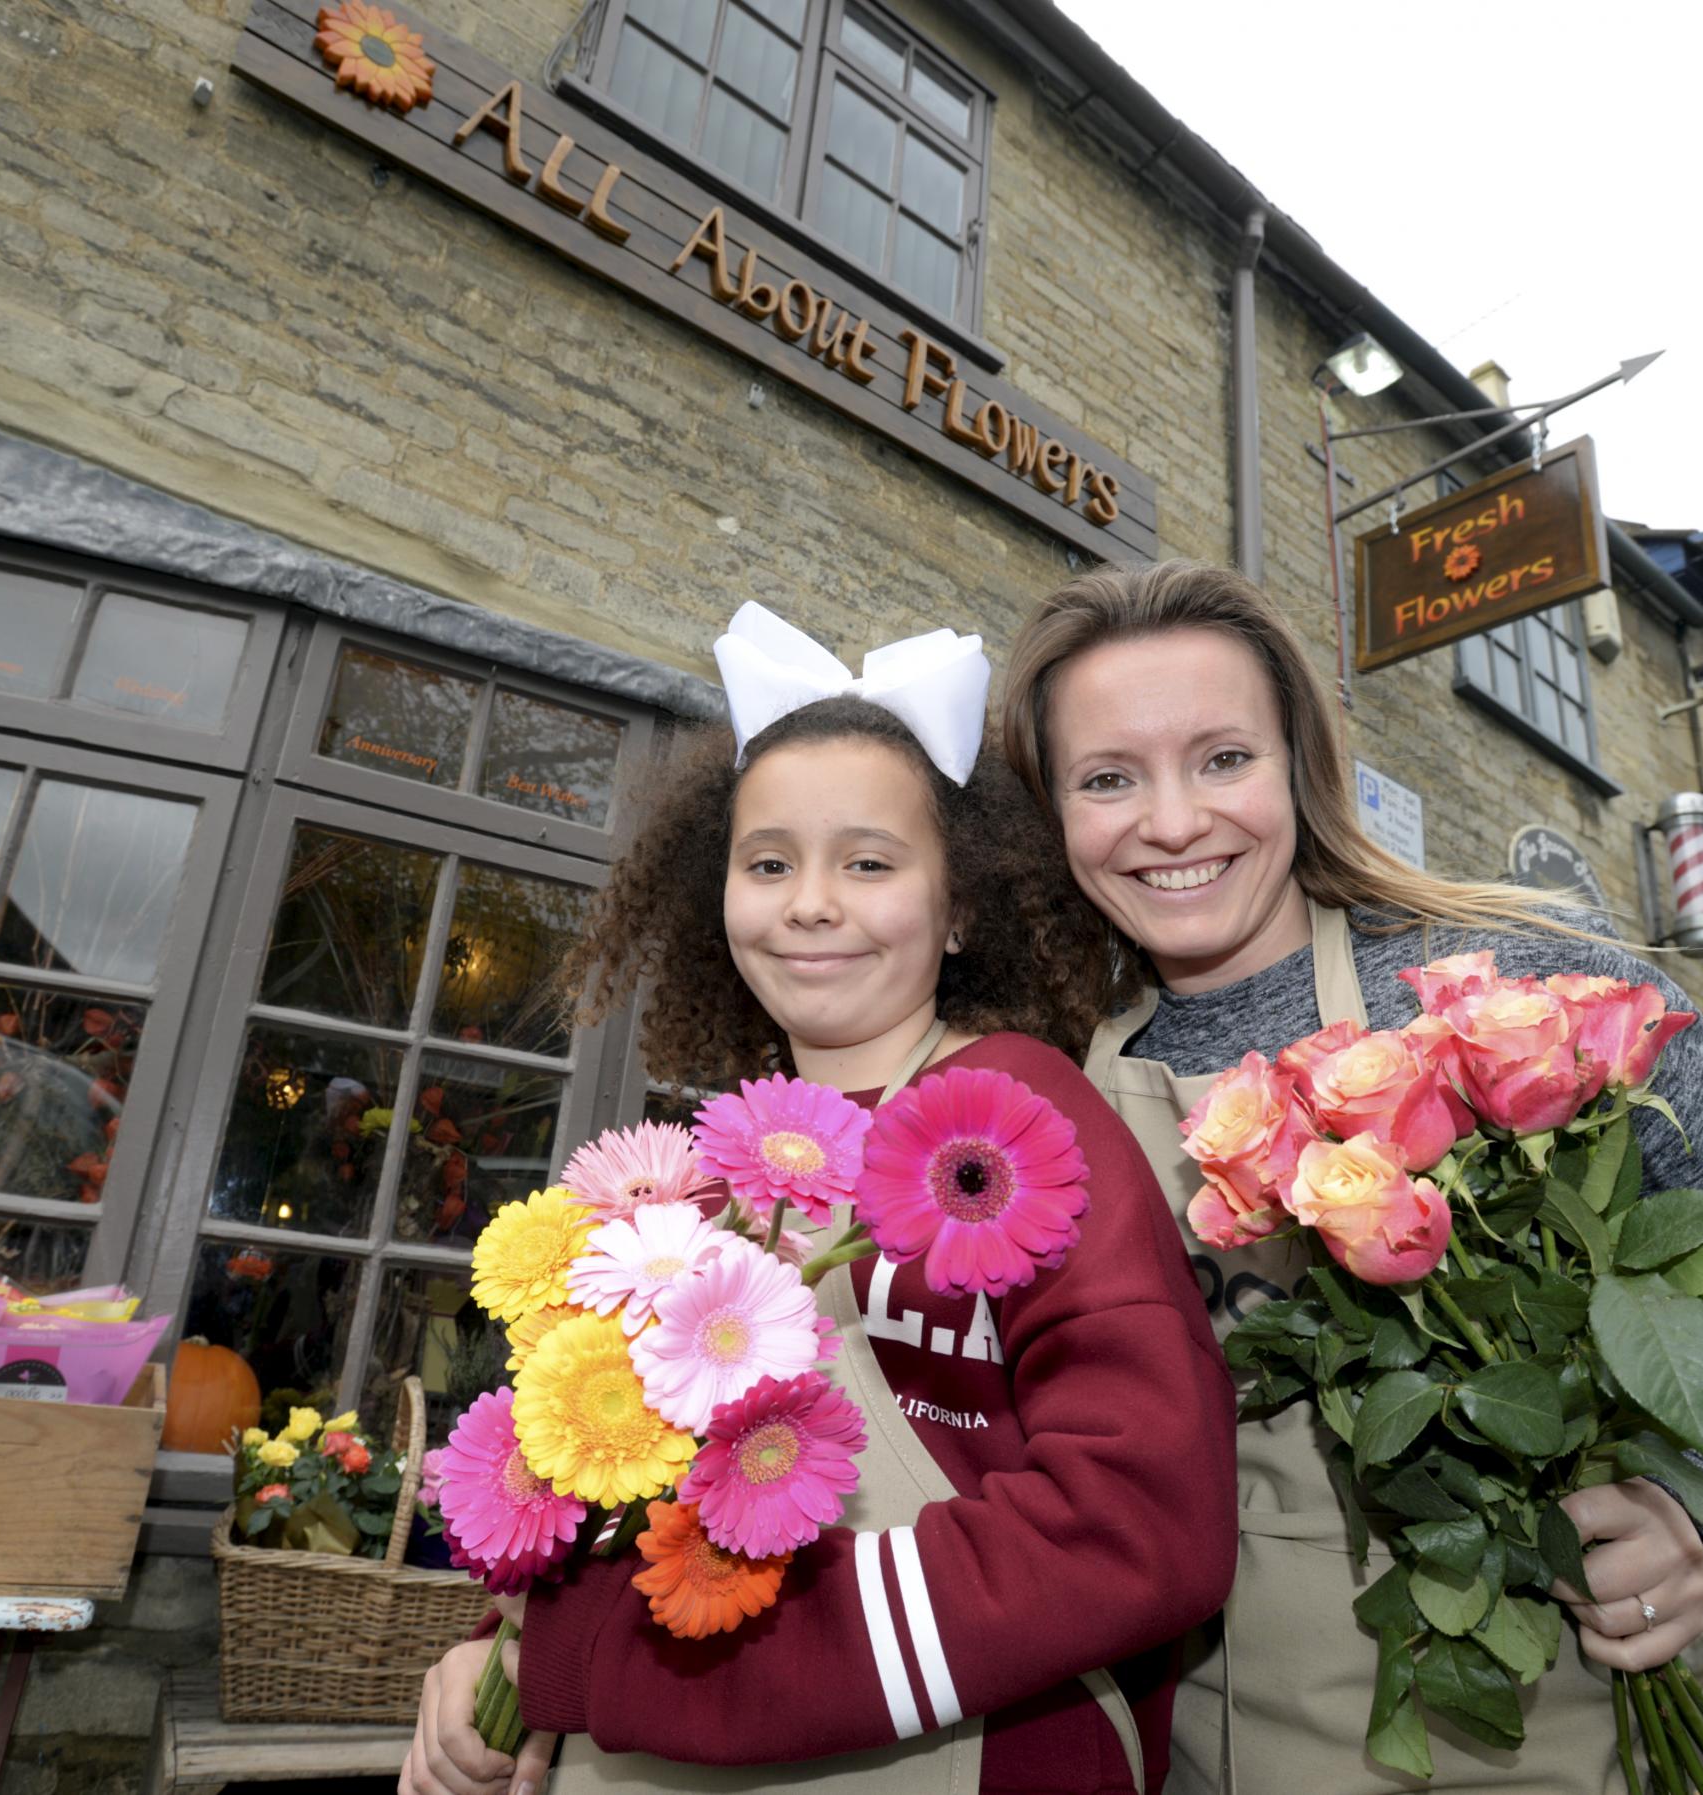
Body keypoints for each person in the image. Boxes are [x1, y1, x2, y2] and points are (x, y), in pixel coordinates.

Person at [999, 559, 1703, 1794]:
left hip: (1516, 1741)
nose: (1173, 821)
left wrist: (1698, 1504)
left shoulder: (1507, 985)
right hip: (1184, 1752)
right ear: (1056, 814)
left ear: (1301, 765)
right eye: (1107, 778)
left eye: (1223, 758)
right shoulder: (1046, 1086)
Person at [399, 605, 1237, 1795]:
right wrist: (500, 1648)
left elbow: (1143, 1523)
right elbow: (619, 1492)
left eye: (870, 862)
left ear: (961, 911)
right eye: (771, 862)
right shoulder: (693, 1180)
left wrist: (626, 1662)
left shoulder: (1013, 1118)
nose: (810, 902)